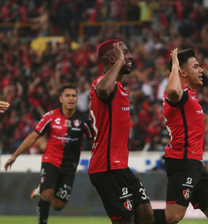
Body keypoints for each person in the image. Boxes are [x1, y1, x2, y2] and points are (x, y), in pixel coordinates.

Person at [153, 48, 208, 224]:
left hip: (194, 163)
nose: (201, 70)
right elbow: (172, 90)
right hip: (182, 162)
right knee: (173, 216)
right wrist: (175, 65)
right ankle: (130, 221)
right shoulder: (179, 94)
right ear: (182, 72)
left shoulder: (190, 95)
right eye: (196, 66)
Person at [4, 85, 94, 224]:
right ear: (61, 99)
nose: (71, 98)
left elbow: (94, 140)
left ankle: (43, 186)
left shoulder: (84, 120)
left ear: (77, 99)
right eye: (67, 96)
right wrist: (15, 156)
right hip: (51, 159)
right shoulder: (50, 116)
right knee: (47, 194)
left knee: (58, 206)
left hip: (70, 164)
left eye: (73, 96)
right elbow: (33, 137)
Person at [89, 40, 154, 224]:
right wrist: (119, 62)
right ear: (112, 58)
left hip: (120, 167)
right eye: (125, 53)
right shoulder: (101, 83)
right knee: (126, 221)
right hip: (106, 167)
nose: (130, 56)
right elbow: (102, 89)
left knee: (146, 214)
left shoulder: (120, 88)